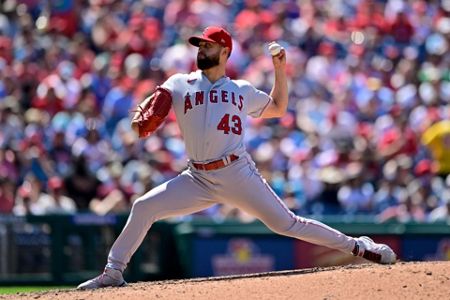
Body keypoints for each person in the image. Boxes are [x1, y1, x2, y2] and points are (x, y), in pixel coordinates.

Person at [77, 26, 396, 289]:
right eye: (199, 45)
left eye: (208, 45)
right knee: (144, 206)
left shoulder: (241, 90)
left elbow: (278, 108)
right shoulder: (179, 83)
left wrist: (280, 70)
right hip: (197, 178)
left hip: (237, 173)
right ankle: (113, 272)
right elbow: (149, 112)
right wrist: (142, 117)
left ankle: (358, 246)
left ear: (224, 51)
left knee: (288, 224)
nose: (201, 49)